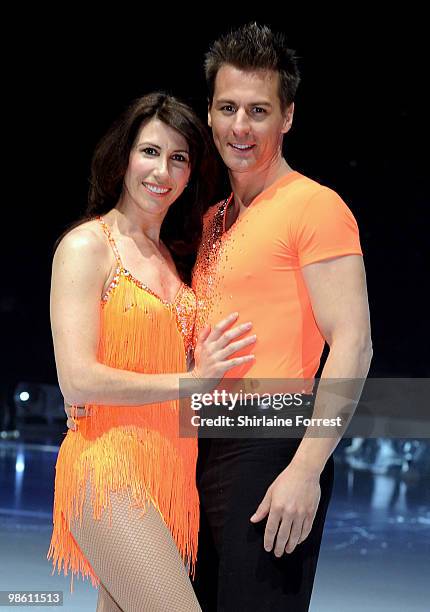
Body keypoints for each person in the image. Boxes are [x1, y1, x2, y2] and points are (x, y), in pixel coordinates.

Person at [47, 92, 256, 612]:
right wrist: (192, 381)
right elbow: (78, 379)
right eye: (149, 152)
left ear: (189, 174)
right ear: (123, 157)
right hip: (108, 471)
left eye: (178, 157)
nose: (162, 170)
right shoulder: (87, 248)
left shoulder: (174, 261)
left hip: (173, 477)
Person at [190, 23, 373, 611]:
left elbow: (353, 343)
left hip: (272, 442)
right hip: (200, 444)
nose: (240, 126)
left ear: (287, 117)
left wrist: (306, 468)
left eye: (258, 110)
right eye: (227, 108)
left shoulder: (316, 206)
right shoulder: (212, 218)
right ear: (210, 115)